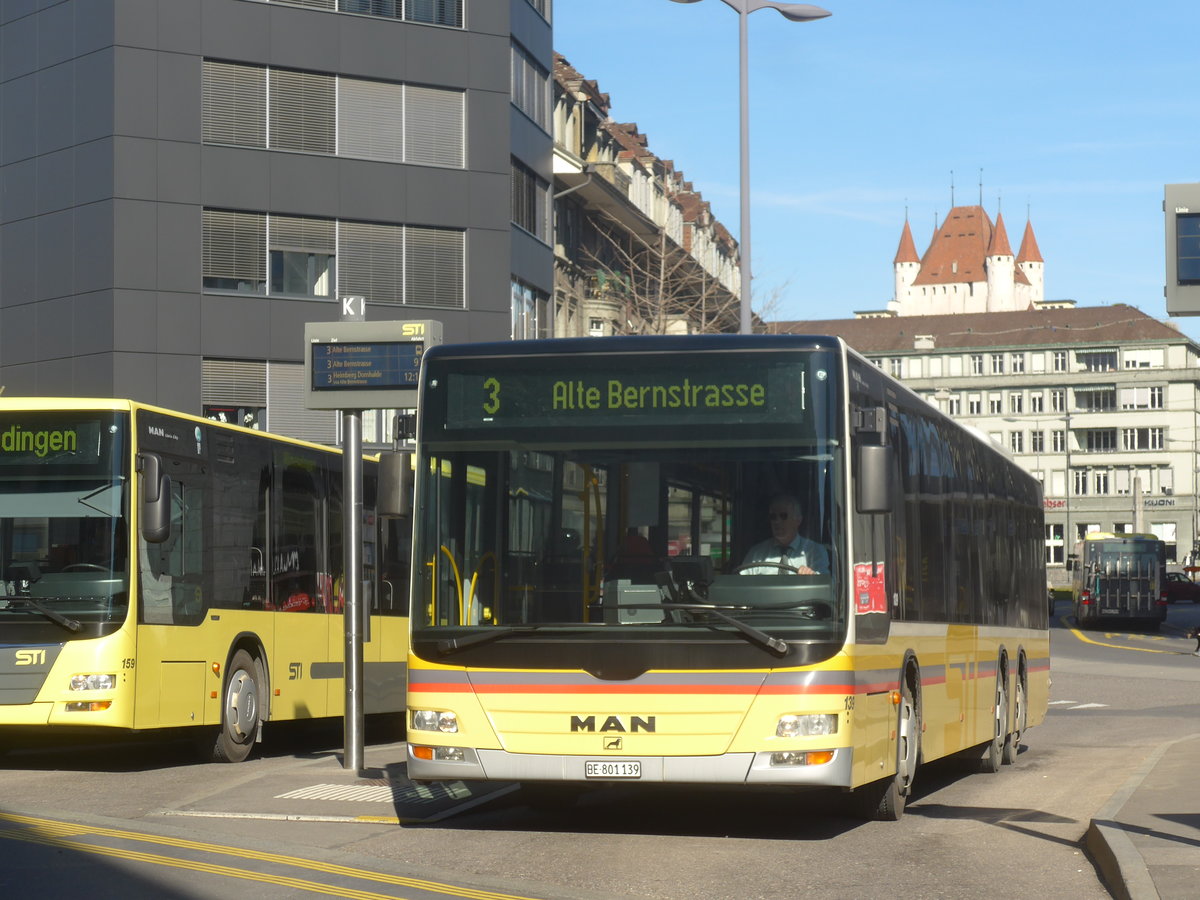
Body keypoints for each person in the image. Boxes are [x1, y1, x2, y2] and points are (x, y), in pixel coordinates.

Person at [741, 493, 829, 575]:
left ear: (798, 520)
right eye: (773, 517)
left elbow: (825, 584)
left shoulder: (815, 552)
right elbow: (742, 586)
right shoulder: (756, 554)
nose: (777, 521)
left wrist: (812, 578)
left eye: (783, 516)